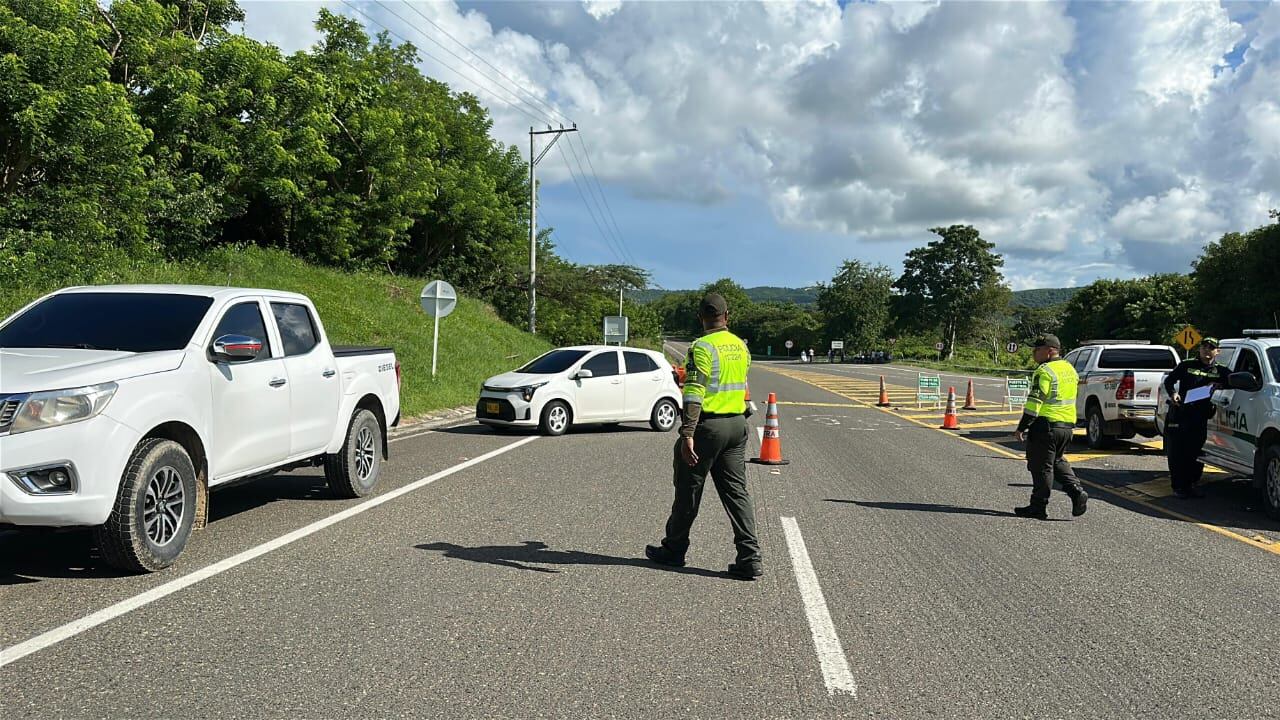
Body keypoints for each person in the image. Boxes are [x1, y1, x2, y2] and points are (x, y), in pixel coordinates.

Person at [646, 293, 762, 580]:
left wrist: (687, 433)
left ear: (701, 317)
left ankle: (674, 550)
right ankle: (750, 557)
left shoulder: (701, 347)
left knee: (688, 490)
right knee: (737, 494)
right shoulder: (741, 347)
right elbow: (730, 384)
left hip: (707, 428)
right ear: (728, 315)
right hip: (736, 425)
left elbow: (696, 392)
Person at [1013, 335, 1088, 520]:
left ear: (1050, 350)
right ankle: (1076, 492)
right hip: (1067, 426)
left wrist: (1022, 427)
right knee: (1058, 461)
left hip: (1046, 425)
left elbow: (1035, 402)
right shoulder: (1070, 369)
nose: (1033, 353)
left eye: (1037, 350)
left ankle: (1038, 506)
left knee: (1041, 467)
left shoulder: (1044, 371)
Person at [1162, 338, 1229, 499]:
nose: (1207, 351)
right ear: (1199, 349)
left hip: (1200, 416)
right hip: (1181, 413)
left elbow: (1233, 381)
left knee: (1195, 452)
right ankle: (1178, 486)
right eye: (1204, 347)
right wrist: (1173, 393)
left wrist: (1221, 385)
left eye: (1211, 348)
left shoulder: (1220, 370)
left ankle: (1191, 484)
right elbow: (1169, 380)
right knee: (1178, 452)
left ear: (1217, 351)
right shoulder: (1187, 365)